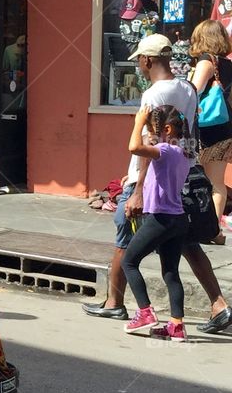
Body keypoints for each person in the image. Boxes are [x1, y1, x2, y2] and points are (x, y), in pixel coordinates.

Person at [82, 34, 232, 334]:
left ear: (147, 60)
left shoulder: (153, 95)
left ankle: (118, 303)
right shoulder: (188, 88)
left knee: (126, 236)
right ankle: (216, 306)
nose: (138, 63)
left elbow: (148, 144)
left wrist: (137, 186)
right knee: (185, 244)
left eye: (139, 59)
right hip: (185, 172)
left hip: (154, 180)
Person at [122, 105, 193, 341]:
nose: (153, 134)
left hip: (161, 218)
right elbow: (156, 172)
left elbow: (134, 148)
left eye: (156, 129)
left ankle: (145, 312)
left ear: (168, 128)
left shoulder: (164, 149)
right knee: (171, 272)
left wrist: (138, 122)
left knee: (129, 261)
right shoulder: (184, 153)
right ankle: (176, 325)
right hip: (178, 219)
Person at [188, 19, 232, 242]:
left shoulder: (207, 61)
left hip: (208, 131)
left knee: (210, 182)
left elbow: (193, 91)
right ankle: (211, 228)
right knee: (216, 182)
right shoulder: (228, 64)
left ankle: (211, 231)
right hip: (224, 128)